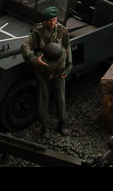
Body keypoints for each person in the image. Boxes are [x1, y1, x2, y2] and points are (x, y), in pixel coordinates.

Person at [20, 7, 71, 136]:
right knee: (43, 99)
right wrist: (35, 60)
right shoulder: (37, 33)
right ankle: (45, 126)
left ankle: (62, 122)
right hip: (43, 71)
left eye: (54, 20)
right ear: (44, 21)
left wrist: (69, 67)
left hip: (59, 71)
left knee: (60, 98)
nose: (52, 23)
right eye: (49, 21)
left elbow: (67, 47)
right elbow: (25, 46)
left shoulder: (61, 31)